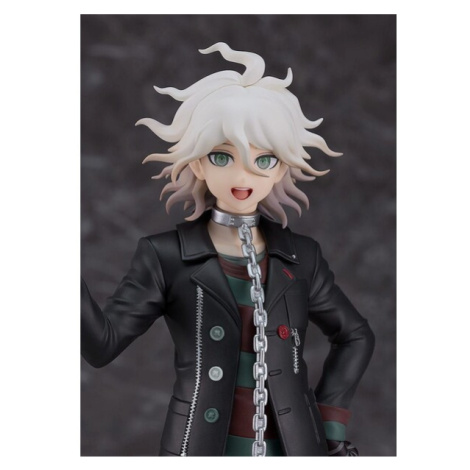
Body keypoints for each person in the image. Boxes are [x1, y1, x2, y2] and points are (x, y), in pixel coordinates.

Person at [81, 42, 375, 456]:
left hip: (294, 449)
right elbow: (102, 344)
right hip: (198, 448)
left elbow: (355, 335)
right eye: (222, 157)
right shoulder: (166, 256)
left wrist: (328, 424)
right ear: (197, 162)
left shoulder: (301, 258)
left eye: (264, 160)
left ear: (282, 168)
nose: (243, 176)